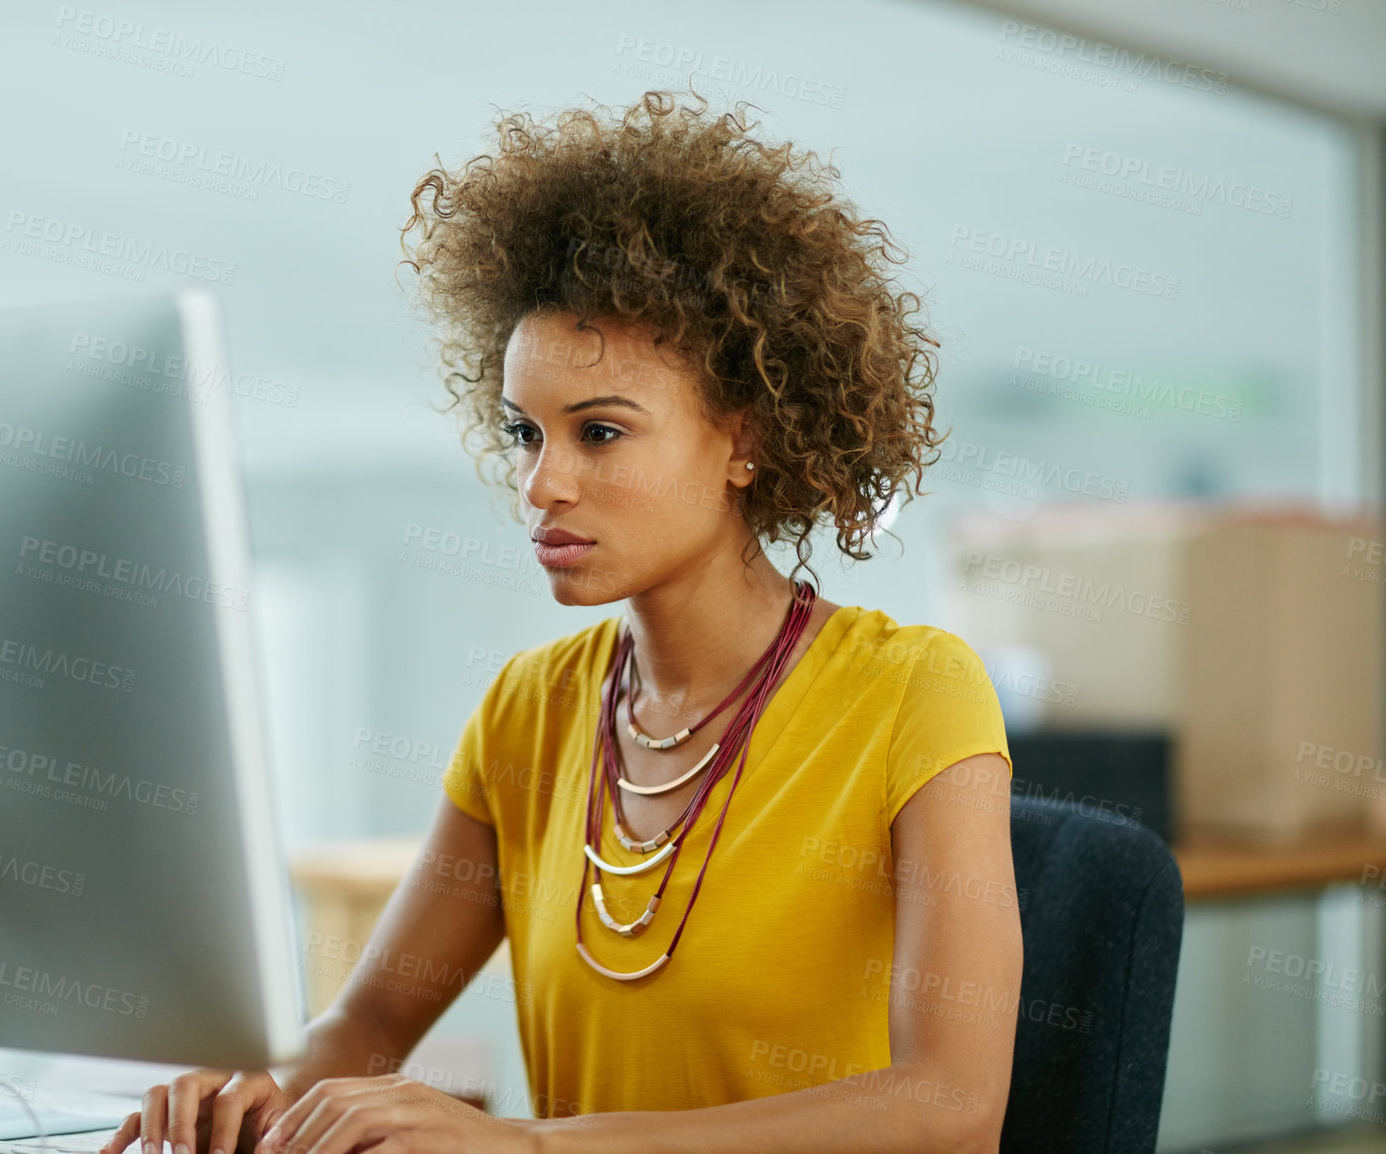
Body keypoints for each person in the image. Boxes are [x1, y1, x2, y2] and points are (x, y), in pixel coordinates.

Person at [102, 89, 1021, 1154]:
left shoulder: (913, 691)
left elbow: (952, 1105)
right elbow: (370, 1020)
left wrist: (532, 1144)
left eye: (598, 432)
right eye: (525, 433)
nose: (541, 484)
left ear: (746, 438)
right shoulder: (530, 708)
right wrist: (249, 1088)